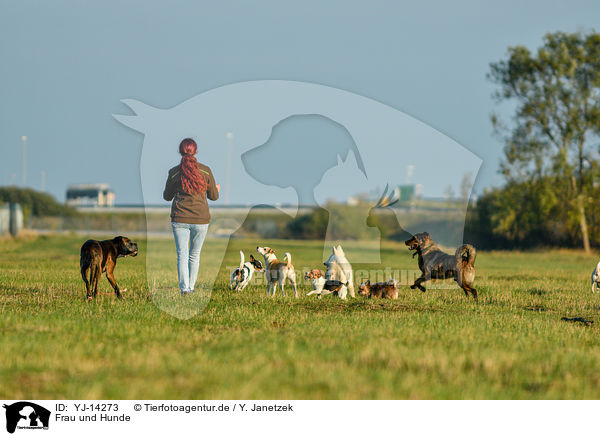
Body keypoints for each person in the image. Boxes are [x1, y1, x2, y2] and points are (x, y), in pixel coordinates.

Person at [163, 138, 220, 295]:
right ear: (196, 151)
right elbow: (214, 196)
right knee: (194, 255)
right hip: (201, 219)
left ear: (180, 151)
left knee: (182, 254)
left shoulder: (174, 172)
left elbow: (167, 196)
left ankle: (185, 289)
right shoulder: (206, 171)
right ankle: (191, 288)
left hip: (180, 219)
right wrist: (216, 188)